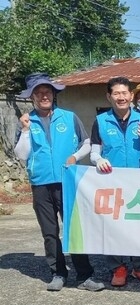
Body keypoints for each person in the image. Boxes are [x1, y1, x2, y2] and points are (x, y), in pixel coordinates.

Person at [13, 73, 105, 292]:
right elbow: (21, 155)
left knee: (74, 228)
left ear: (53, 94)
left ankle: (85, 276)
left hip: (68, 180)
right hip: (41, 183)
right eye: (39, 93)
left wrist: (74, 157)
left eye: (47, 92)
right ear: (32, 97)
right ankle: (58, 273)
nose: (44, 96)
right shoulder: (26, 122)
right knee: (49, 231)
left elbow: (86, 143)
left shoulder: (69, 117)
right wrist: (25, 130)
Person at [90, 76, 140, 287]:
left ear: (131, 96)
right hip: (111, 183)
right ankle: (117, 267)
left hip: (138, 184)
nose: (121, 97)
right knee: (113, 226)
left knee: (138, 225)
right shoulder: (100, 121)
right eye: (116, 93)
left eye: (124, 93)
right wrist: (99, 160)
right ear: (109, 97)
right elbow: (94, 151)